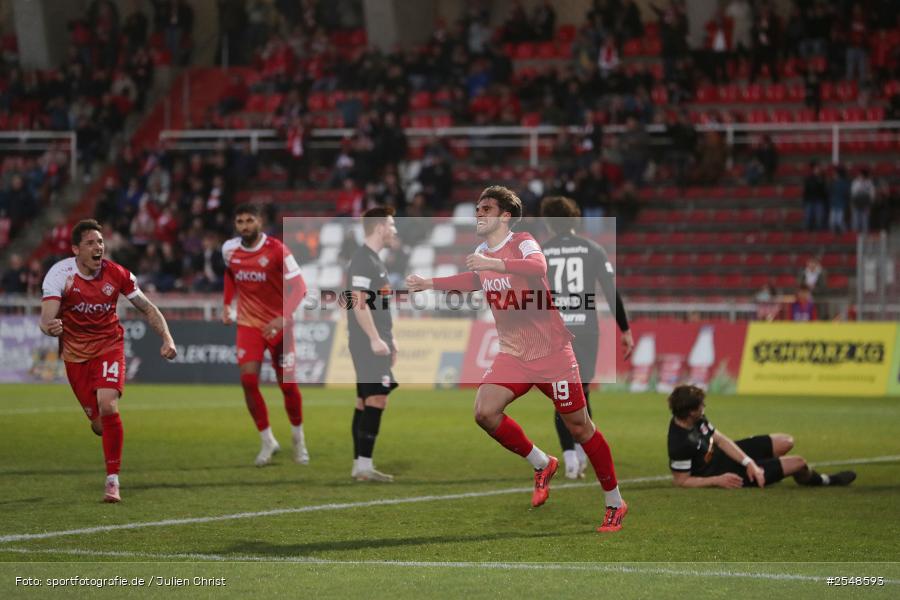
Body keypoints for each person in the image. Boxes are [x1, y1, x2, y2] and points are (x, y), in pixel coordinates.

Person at [406, 186, 628, 532]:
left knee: (580, 427)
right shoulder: (482, 251)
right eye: (477, 208)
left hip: (552, 353)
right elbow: (474, 280)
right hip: (514, 354)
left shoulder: (523, 240)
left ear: (504, 216)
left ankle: (615, 501)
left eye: (486, 208)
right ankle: (542, 462)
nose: (478, 213)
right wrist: (429, 282)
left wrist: (493, 263)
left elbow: (537, 266)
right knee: (484, 412)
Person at [40, 219, 177, 502]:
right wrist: (50, 326)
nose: (98, 247)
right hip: (75, 356)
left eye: (100, 242)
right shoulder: (59, 275)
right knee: (100, 424)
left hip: (109, 345)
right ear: (76, 249)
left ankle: (112, 480)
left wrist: (167, 338)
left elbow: (148, 308)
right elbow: (46, 318)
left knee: (108, 404)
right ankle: (106, 434)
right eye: (90, 243)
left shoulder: (117, 274)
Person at [539, 196, 634, 479]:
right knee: (581, 392)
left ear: (548, 222)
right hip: (586, 330)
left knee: (562, 395)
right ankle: (580, 454)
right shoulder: (593, 249)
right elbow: (610, 291)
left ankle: (570, 457)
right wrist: (625, 330)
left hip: (554, 334)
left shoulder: (540, 252)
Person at [222, 203, 308, 467]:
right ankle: (267, 440)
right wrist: (227, 303)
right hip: (249, 325)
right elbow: (230, 275)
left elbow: (300, 287)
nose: (245, 226)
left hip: (280, 325)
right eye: (240, 221)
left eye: (249, 220)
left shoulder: (277, 250)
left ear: (260, 221)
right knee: (248, 381)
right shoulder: (229, 250)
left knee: (288, 387)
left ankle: (298, 439)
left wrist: (284, 316)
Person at [667, 384, 856, 489]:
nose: (704, 408)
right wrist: (718, 480)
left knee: (786, 441)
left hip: (724, 458)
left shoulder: (695, 420)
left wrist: (749, 462)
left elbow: (721, 440)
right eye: (701, 406)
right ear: (691, 412)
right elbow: (681, 480)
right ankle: (825, 480)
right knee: (799, 463)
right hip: (723, 473)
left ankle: (765, 468)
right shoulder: (679, 442)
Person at [345, 207, 400, 482]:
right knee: (376, 399)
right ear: (379, 228)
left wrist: (391, 338)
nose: (395, 229)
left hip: (373, 340)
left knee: (364, 401)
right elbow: (358, 302)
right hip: (367, 343)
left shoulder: (373, 260)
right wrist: (375, 339)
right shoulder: (363, 260)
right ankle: (364, 466)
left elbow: (379, 306)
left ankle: (360, 465)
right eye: (391, 224)